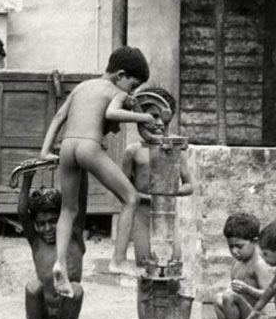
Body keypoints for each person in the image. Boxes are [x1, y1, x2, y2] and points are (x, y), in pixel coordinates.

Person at [40, 46, 155, 295]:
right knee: (130, 197)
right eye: (132, 85)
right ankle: (119, 259)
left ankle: (59, 262)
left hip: (67, 148)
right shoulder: (115, 91)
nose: (131, 92)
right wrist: (144, 118)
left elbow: (60, 115)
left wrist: (46, 150)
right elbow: (111, 112)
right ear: (120, 75)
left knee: (68, 210)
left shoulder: (82, 86)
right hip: (88, 148)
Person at [121, 86, 193, 271]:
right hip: (143, 218)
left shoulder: (175, 148)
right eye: (153, 116)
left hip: (168, 217)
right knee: (145, 269)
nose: (159, 123)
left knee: (174, 267)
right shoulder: (133, 151)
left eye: (164, 117)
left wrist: (168, 193)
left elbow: (189, 186)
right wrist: (148, 198)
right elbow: (122, 190)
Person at [17, 168, 88, 319]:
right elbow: (22, 213)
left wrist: (80, 168)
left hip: (65, 314)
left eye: (53, 222)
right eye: (41, 224)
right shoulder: (36, 243)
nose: (47, 228)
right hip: (41, 316)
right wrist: (27, 178)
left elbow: (81, 200)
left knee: (76, 289)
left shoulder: (74, 237)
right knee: (32, 287)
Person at [213, 213, 272, 319]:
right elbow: (234, 294)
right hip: (241, 317)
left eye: (239, 246)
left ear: (255, 242)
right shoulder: (236, 265)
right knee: (218, 297)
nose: (234, 251)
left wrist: (248, 290)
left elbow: (268, 294)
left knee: (229, 297)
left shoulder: (258, 265)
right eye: (231, 247)